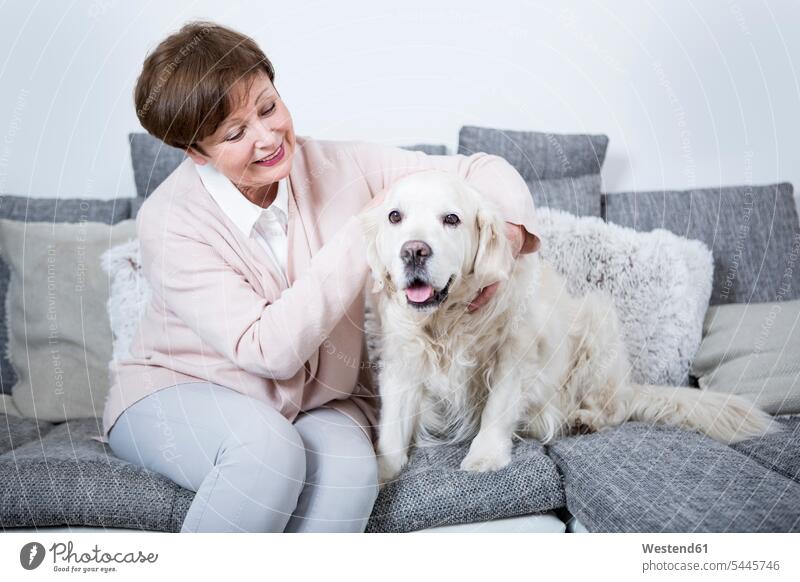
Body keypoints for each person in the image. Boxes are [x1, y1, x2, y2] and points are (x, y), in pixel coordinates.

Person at [99, 20, 541, 533]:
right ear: (197, 152)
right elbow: (266, 350)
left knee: (353, 476)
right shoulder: (168, 222)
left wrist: (505, 238)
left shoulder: (337, 165)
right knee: (269, 453)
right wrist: (365, 231)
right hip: (176, 393)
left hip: (320, 403)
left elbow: (479, 169)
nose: (268, 138)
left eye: (268, 107)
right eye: (236, 133)